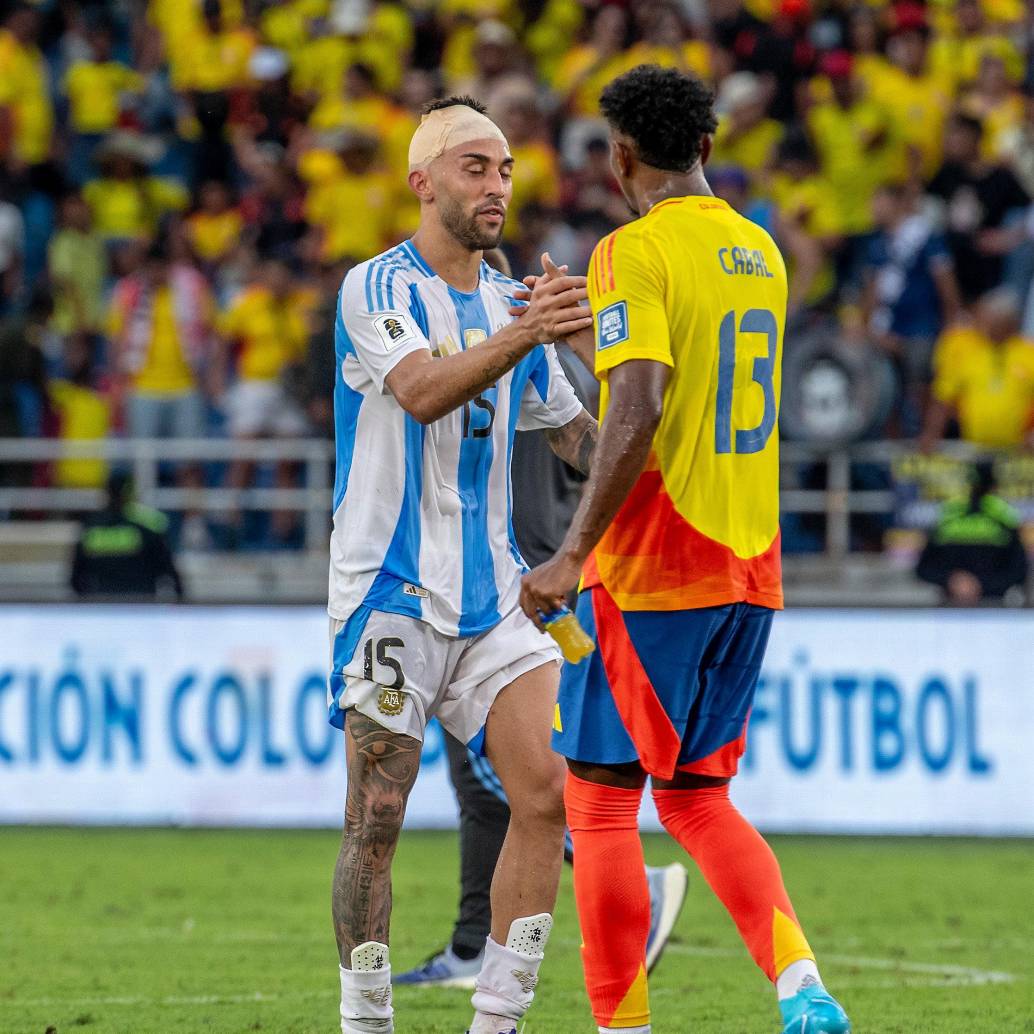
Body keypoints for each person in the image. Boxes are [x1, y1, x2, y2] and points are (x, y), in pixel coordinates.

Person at [519, 65, 852, 1034]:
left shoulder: (633, 249)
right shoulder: (758, 250)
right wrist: (590, 331)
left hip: (653, 568)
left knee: (601, 803)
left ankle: (621, 1025)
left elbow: (643, 402)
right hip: (747, 562)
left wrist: (572, 551)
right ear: (706, 146)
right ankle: (800, 984)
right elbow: (685, 379)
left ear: (619, 157)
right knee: (699, 797)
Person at [327, 96, 598, 1034]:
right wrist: (526, 332)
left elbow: (577, 440)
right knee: (379, 814)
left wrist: (612, 366)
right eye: (476, 166)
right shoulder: (376, 287)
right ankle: (367, 1019)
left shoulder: (512, 300)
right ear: (423, 180)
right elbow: (421, 392)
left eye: (506, 168)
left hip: (490, 596)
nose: (497, 185)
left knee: (547, 794)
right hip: (389, 591)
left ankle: (499, 1019)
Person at [395, 247, 688, 991]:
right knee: (477, 782)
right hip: (515, 577)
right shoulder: (498, 349)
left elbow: (577, 451)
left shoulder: (506, 352)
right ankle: (469, 946)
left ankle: (632, 884)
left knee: (507, 773)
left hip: (520, 583)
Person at [916, 461, 1028, 605]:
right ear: (995, 486)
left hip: (989, 604)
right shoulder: (1006, 516)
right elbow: (1019, 571)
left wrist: (967, 583)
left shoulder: (948, 514)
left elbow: (924, 568)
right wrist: (954, 581)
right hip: (963, 605)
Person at [70, 470, 183, 600]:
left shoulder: (91, 528)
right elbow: (168, 573)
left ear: (107, 494)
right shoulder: (147, 528)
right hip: (142, 608)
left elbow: (75, 579)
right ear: (130, 494)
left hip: (101, 608)